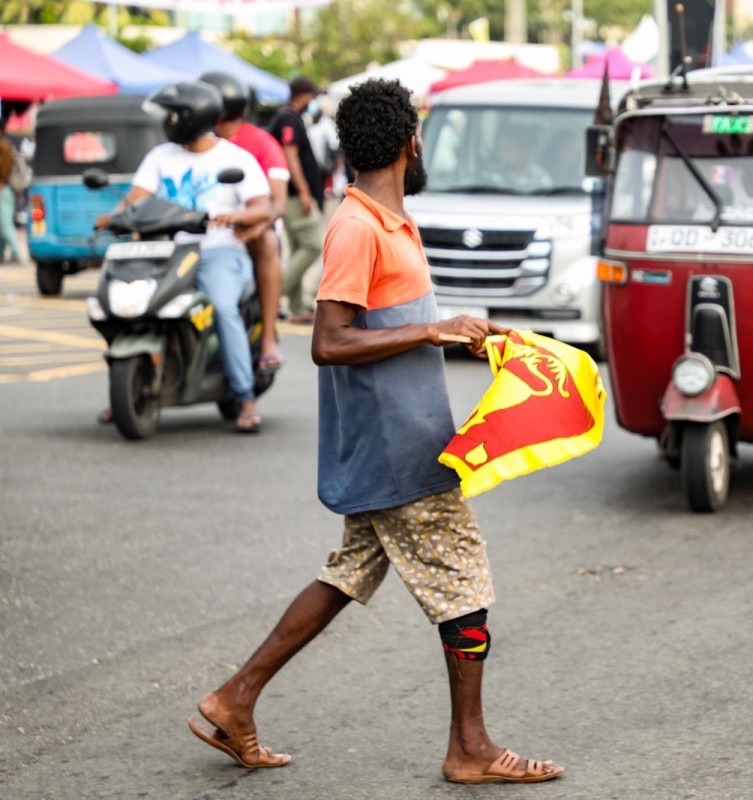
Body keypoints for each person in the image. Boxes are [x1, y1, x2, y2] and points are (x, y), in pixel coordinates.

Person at [187, 78, 565, 784]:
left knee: (351, 571)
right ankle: (471, 749)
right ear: (407, 142)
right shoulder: (357, 225)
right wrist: (432, 329)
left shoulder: (390, 219)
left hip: (401, 434)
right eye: (418, 133)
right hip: (400, 448)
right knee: (465, 586)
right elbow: (330, 340)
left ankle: (234, 699)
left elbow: (390, 326)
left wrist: (458, 337)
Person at [96, 82, 272, 432]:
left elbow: (262, 204)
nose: (168, 122)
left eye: (173, 115)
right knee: (115, 303)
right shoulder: (161, 157)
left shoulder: (235, 159)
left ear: (192, 118)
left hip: (217, 250)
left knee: (222, 307)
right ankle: (127, 387)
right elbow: (136, 198)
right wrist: (113, 217)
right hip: (165, 250)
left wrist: (236, 217)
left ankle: (245, 396)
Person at [200, 71, 289, 372]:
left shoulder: (262, 144)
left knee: (267, 242)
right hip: (203, 233)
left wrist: (255, 228)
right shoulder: (190, 145)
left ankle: (268, 336)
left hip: (249, 231)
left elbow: (277, 203)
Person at [268, 77, 325, 324]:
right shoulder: (289, 119)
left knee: (299, 250)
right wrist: (303, 190)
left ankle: (298, 307)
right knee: (312, 246)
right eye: (312, 97)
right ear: (303, 95)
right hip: (294, 196)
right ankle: (273, 296)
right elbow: (290, 155)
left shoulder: (288, 118)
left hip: (291, 196)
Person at [0, 108, 22, 264]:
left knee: (4, 222)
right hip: (4, 188)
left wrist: (1, 183)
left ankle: (16, 252)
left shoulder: (4, 146)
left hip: (3, 189)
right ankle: (1, 254)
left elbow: (6, 168)